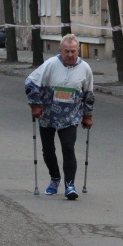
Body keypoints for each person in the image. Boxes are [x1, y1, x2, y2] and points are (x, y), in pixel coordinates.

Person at [25, 34, 95, 200]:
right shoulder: (50, 65)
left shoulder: (85, 68)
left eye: (73, 51)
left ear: (78, 51)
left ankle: (70, 184)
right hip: (47, 114)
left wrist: (88, 115)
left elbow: (89, 95)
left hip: (70, 116)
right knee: (48, 150)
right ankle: (55, 178)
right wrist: (35, 105)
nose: (70, 55)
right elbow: (30, 83)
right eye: (66, 51)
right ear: (60, 51)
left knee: (68, 147)